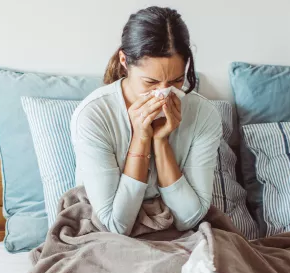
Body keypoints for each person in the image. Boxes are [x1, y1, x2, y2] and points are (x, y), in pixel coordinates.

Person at [71, 6, 221, 235]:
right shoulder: (94, 116)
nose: (164, 93)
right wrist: (141, 138)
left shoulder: (203, 114)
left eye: (176, 81)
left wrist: (161, 142)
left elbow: (189, 218)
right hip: (106, 236)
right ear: (124, 60)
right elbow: (115, 225)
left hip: (179, 234)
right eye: (151, 82)